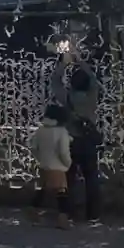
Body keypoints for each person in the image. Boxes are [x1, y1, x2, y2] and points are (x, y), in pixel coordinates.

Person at [51, 54, 103, 226]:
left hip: (71, 141)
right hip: (88, 142)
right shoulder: (92, 97)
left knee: (69, 179)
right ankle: (93, 215)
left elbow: (55, 81)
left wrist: (64, 63)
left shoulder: (67, 97)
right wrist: (80, 60)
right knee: (91, 179)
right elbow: (93, 78)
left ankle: (68, 213)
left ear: (72, 83)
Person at [29, 102, 75, 229]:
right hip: (58, 167)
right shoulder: (61, 132)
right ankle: (62, 220)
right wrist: (68, 163)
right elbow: (63, 152)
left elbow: (33, 147)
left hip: (44, 166)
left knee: (42, 190)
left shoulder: (40, 130)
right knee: (62, 194)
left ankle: (33, 212)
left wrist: (40, 159)